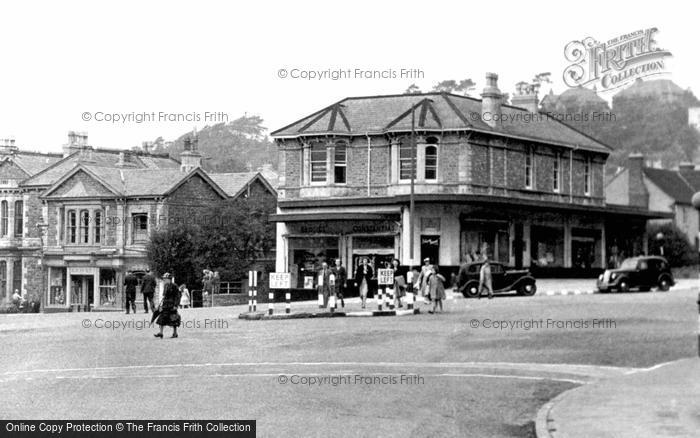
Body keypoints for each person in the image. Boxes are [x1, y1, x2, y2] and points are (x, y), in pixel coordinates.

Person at [155, 273, 181, 338]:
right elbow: (164, 296)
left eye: (165, 279)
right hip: (165, 304)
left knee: (174, 319)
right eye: (164, 279)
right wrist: (161, 304)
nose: (164, 280)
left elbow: (177, 296)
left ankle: (175, 333)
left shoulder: (174, 286)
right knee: (162, 318)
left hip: (172, 305)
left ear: (169, 279)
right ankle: (161, 333)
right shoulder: (165, 285)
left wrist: (176, 305)